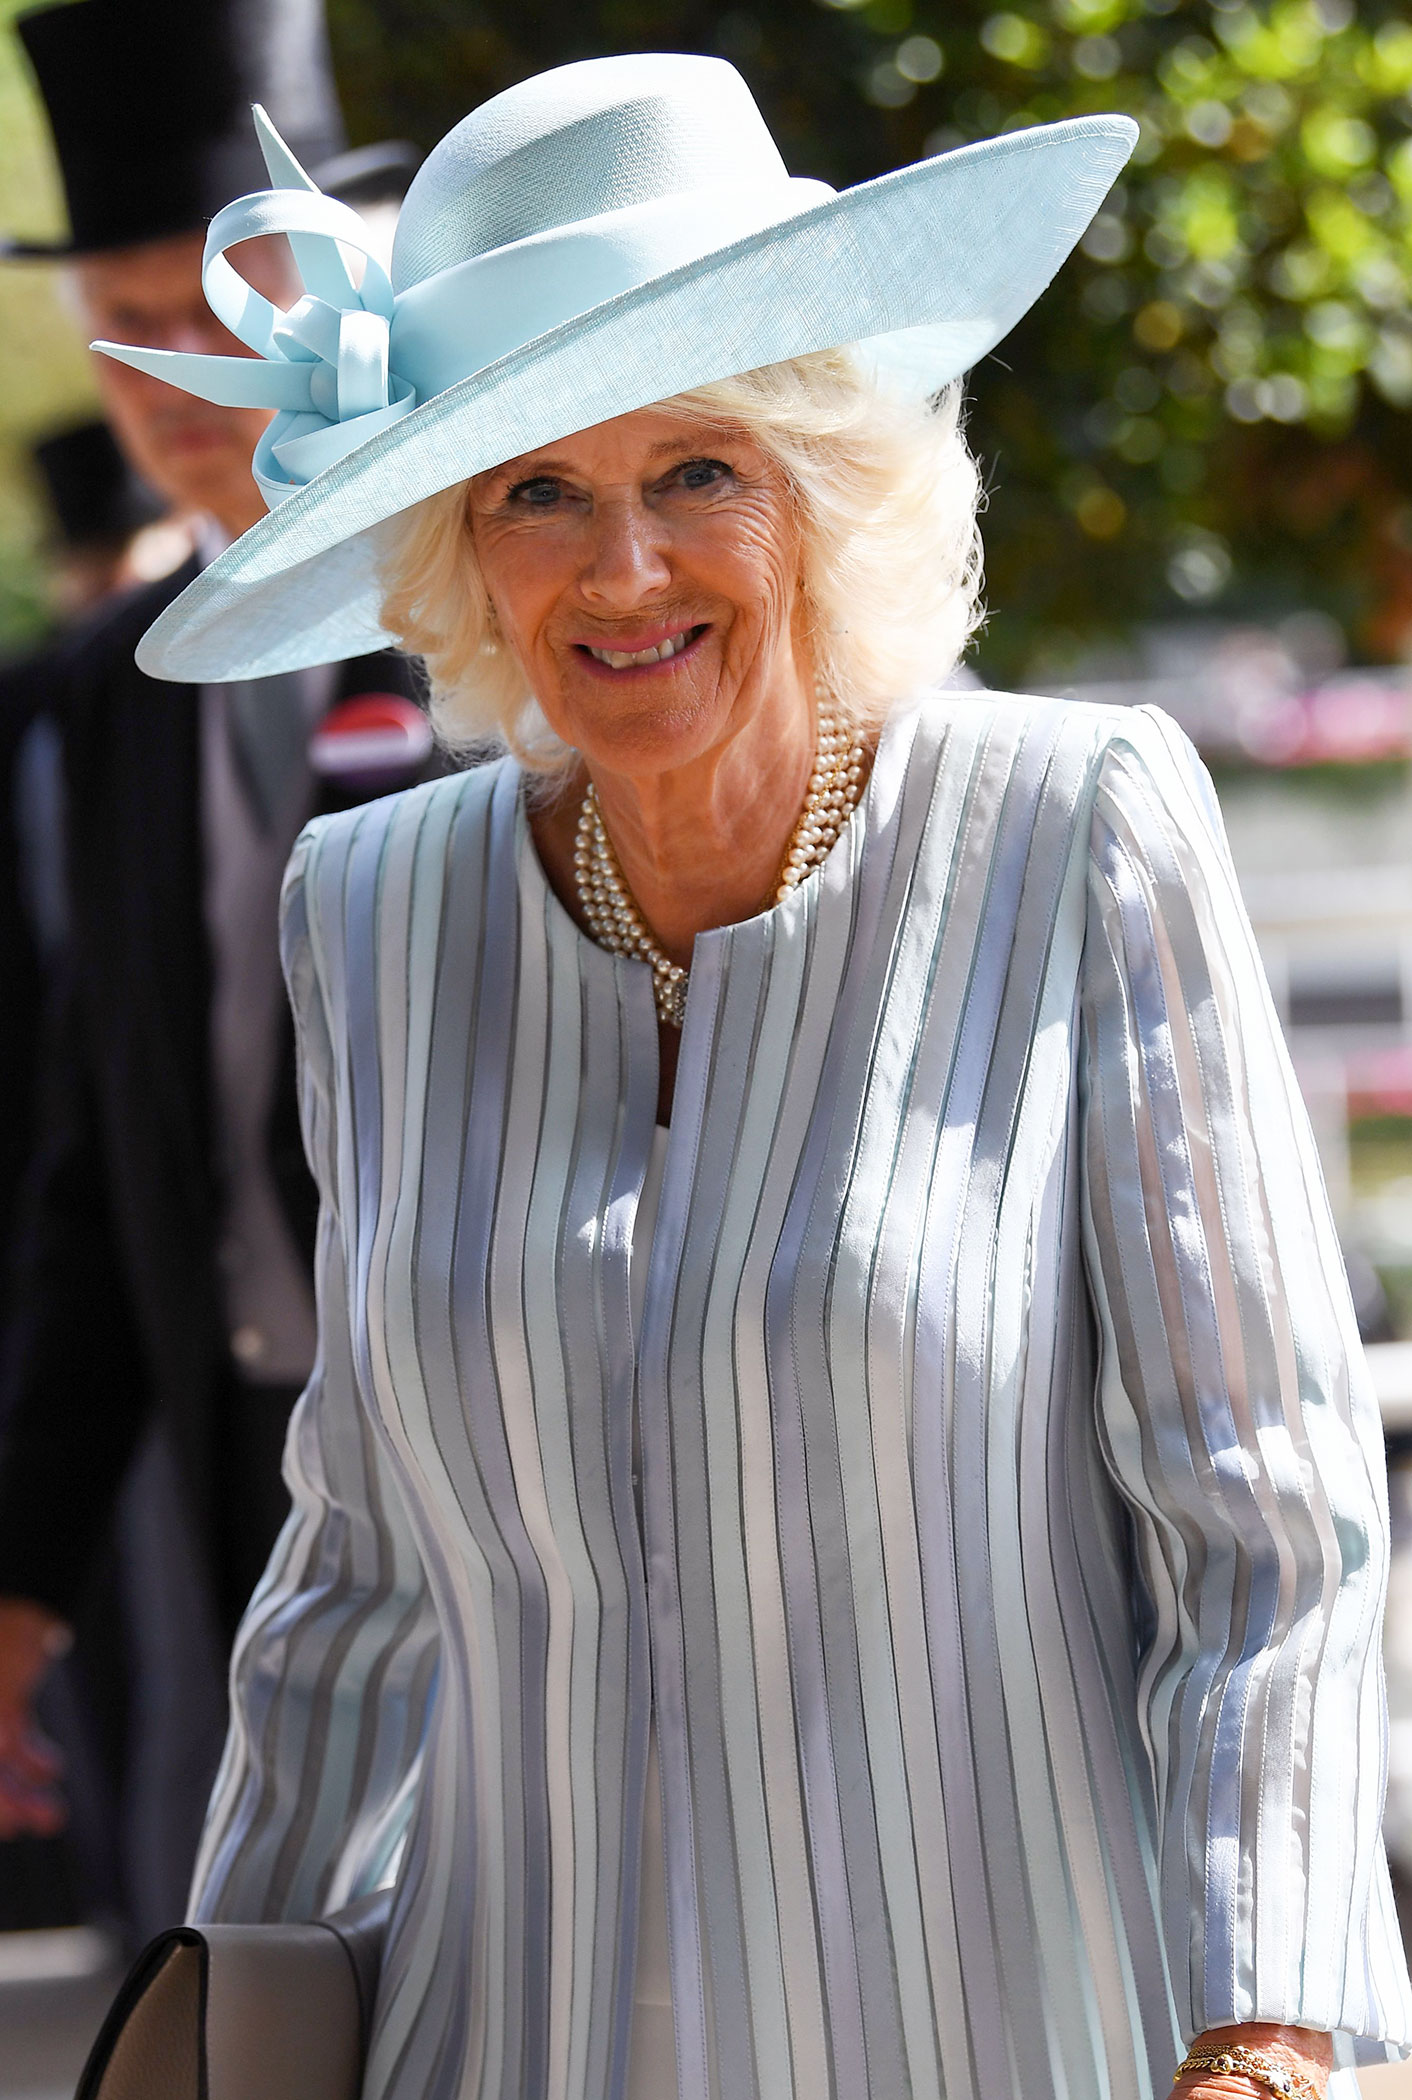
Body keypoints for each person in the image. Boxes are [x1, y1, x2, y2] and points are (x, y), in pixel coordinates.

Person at [99, 53, 1412, 2100]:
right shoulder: (368, 909)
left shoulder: (1069, 830)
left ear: (829, 482)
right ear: (460, 553)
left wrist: (1267, 2028)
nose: (621, 569)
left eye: (698, 469)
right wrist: (229, 2028)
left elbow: (1264, 1535)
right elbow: (358, 1573)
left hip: (997, 2038)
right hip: (497, 2039)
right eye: (537, 487)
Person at [0, 0, 428, 1937]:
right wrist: (30, 1566)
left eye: (211, 305)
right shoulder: (111, 692)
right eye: (118, 317)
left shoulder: (515, 608)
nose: (165, 378)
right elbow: (100, 1145)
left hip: (520, 1475)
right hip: (234, 1492)